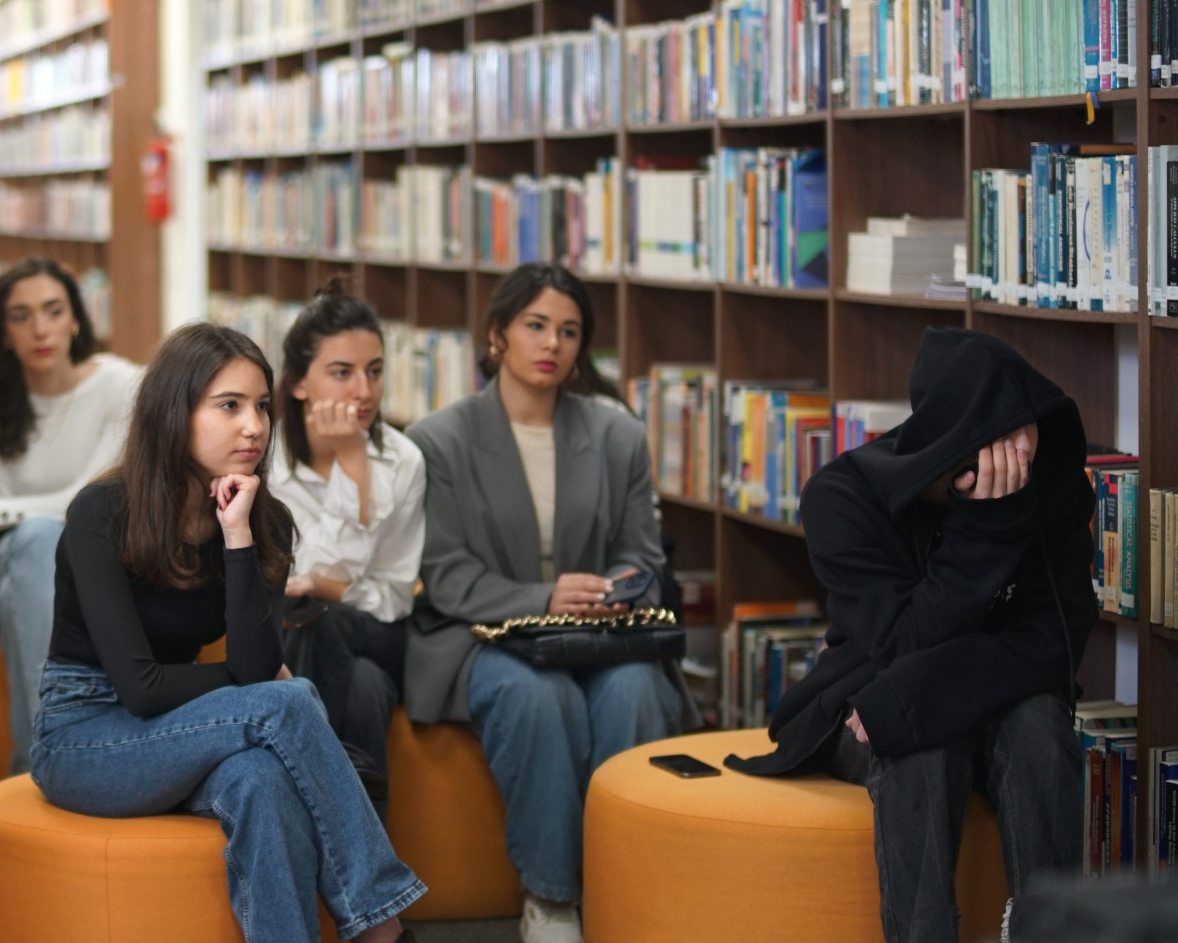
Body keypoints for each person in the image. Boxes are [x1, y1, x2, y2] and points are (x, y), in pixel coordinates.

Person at [32, 321, 425, 943]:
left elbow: (253, 660)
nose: (255, 426)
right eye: (229, 406)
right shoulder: (101, 512)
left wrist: (238, 537)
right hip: (84, 735)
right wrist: (256, 688)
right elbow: (139, 688)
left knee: (263, 780)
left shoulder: (265, 521)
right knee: (287, 701)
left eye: (262, 407)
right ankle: (383, 923)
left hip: (183, 728)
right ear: (174, 413)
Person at [727, 327, 1098, 943]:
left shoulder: (1047, 481)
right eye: (1003, 442)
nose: (1020, 459)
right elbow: (900, 646)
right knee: (920, 731)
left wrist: (1005, 514)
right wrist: (989, 531)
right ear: (956, 442)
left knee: (1039, 722)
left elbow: (1056, 644)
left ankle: (1050, 931)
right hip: (864, 706)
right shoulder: (842, 496)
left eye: (1027, 435)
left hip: (986, 701)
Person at [404, 263, 692, 943]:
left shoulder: (617, 433)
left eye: (569, 331)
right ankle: (553, 898)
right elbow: (444, 573)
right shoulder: (438, 440)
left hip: (602, 632)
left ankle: (626, 885)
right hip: (479, 635)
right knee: (542, 699)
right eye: (535, 325)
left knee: (638, 694)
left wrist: (608, 592)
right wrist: (543, 597)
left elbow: (643, 557)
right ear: (498, 334)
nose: (552, 344)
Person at [0, 258, 141, 774]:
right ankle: (59, 753)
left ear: (76, 319)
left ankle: (32, 764)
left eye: (53, 311)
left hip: (93, 565)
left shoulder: (122, 385)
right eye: (21, 316)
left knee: (37, 546)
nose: (41, 329)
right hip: (6, 562)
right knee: (32, 542)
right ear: (3, 331)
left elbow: (87, 500)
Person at [265, 280, 424, 817]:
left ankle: (316, 833)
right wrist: (322, 587)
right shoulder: (262, 461)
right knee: (362, 689)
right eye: (342, 372)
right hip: (297, 642)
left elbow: (395, 594)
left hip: (380, 633)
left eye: (374, 371)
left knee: (323, 618)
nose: (364, 391)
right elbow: (293, 583)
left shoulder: (403, 461)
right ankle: (365, 878)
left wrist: (355, 462)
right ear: (298, 384)